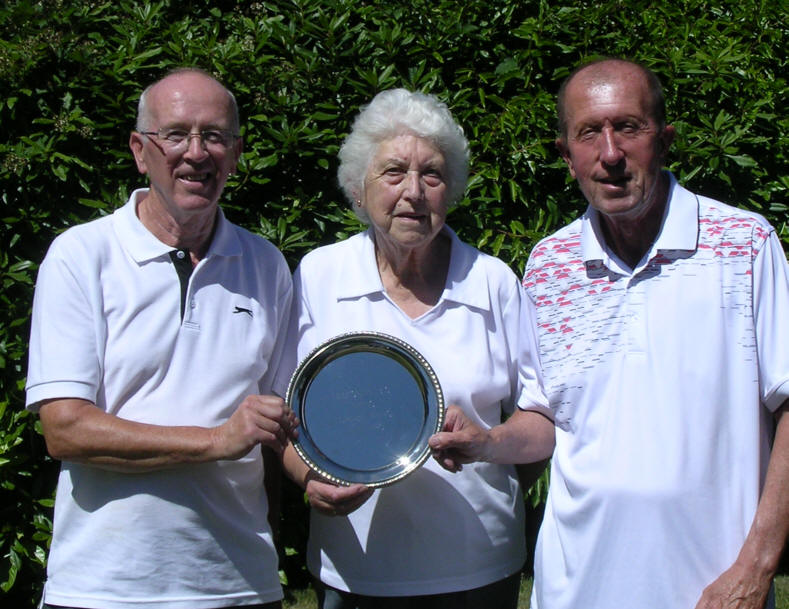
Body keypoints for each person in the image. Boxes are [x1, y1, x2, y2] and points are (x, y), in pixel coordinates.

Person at [429, 58, 789, 609]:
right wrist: (488, 442)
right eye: (589, 133)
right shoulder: (549, 265)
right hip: (577, 588)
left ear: (664, 139)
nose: (611, 153)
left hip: (715, 590)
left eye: (628, 127)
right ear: (566, 155)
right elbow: (546, 418)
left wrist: (755, 567)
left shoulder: (743, 246)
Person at [26, 68, 297, 609]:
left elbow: (283, 422)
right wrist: (215, 441)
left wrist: (327, 480)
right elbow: (65, 429)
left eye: (214, 136)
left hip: (239, 585)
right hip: (104, 589)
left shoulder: (266, 264)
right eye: (175, 135)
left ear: (236, 154)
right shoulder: (82, 255)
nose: (196, 153)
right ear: (140, 150)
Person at [273, 88, 555, 609]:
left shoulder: (492, 282)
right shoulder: (320, 275)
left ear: (451, 190)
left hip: (479, 567)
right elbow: (283, 416)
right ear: (359, 189)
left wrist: (489, 443)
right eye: (393, 172)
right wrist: (308, 479)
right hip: (355, 570)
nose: (414, 192)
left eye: (432, 174)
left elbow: (541, 422)